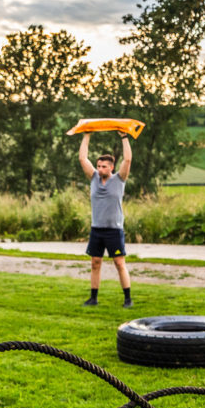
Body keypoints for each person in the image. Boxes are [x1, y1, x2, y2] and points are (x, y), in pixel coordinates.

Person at [77, 132, 133, 308]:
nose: (100, 169)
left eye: (104, 166)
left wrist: (124, 137)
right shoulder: (93, 178)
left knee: (119, 263)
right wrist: (86, 135)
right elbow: (82, 158)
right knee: (95, 263)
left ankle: (127, 299)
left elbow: (128, 160)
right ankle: (93, 298)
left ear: (111, 167)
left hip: (114, 230)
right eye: (98, 165)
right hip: (97, 229)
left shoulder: (119, 179)